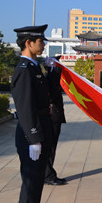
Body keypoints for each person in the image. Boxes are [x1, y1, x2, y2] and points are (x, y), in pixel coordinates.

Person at [11, 24, 57, 203]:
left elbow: (47, 93)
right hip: (32, 133)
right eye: (41, 40)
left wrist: (53, 71)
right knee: (30, 185)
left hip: (40, 129)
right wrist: (33, 138)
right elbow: (25, 107)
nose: (44, 43)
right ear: (28, 43)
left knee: (36, 185)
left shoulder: (34, 67)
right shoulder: (23, 69)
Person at [43, 55, 67, 186]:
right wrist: (56, 72)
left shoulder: (52, 77)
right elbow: (52, 95)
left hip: (55, 115)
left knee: (51, 147)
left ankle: (48, 173)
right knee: (50, 147)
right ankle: (48, 175)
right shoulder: (50, 78)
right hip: (52, 116)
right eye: (57, 64)